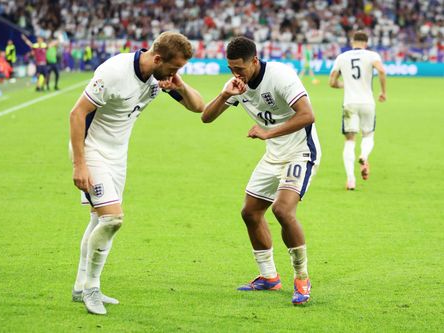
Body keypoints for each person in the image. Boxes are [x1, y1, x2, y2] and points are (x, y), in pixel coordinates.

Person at [69, 31, 204, 315]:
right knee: (112, 219)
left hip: (118, 155)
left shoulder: (159, 77)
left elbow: (198, 107)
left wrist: (179, 83)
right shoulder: (114, 72)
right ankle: (92, 288)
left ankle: (81, 287)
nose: (175, 72)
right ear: (157, 58)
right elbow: (77, 114)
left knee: (99, 219)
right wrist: (79, 164)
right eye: (174, 67)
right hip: (91, 149)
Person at [201, 36, 321, 305]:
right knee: (250, 212)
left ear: (254, 61)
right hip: (273, 155)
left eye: (239, 68)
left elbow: (307, 115)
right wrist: (225, 94)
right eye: (230, 68)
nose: (235, 73)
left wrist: (269, 133)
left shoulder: (280, 75)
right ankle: (269, 277)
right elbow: (206, 117)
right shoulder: (235, 84)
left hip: (300, 151)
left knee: (282, 210)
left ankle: (302, 278)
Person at [329, 31, 387, 190]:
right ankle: (364, 156)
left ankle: (350, 180)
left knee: (349, 141)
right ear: (366, 42)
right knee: (368, 135)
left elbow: (332, 82)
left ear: (352, 41)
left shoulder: (342, 57)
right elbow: (381, 70)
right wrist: (383, 92)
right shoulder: (372, 55)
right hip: (367, 102)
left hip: (349, 103)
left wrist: (345, 85)